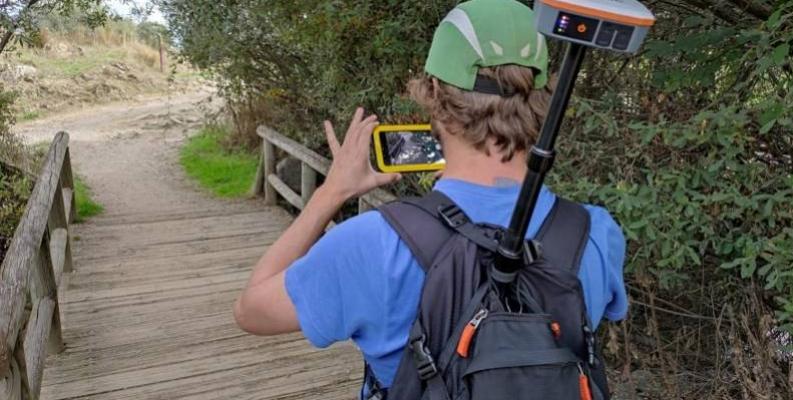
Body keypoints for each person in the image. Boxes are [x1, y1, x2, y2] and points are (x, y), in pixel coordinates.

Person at [233, 0, 628, 396]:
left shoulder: (371, 244)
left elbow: (251, 310)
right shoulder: (594, 233)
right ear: (541, 98)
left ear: (434, 92)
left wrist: (332, 192)